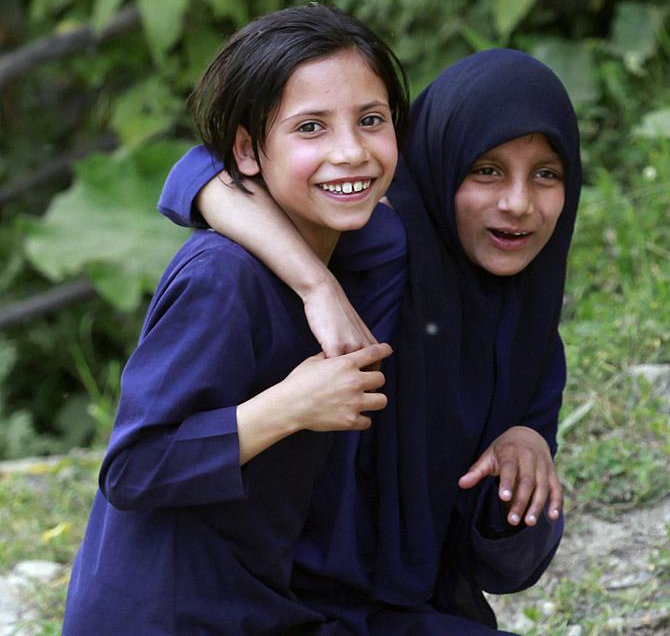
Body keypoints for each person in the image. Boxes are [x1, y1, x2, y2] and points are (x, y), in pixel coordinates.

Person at [157, 48, 581, 634]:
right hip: (279, 602)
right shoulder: (378, 248)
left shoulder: (529, 340)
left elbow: (497, 566)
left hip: (395, 610)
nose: (517, 202)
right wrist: (318, 285)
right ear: (437, 161)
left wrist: (523, 458)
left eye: (547, 174)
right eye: (485, 170)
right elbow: (200, 173)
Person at [62, 4, 409, 635]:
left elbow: (200, 175)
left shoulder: (371, 240)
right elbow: (133, 467)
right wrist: (291, 406)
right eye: (310, 127)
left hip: (264, 603)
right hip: (164, 618)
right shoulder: (222, 277)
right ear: (248, 150)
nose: (350, 151)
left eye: (371, 120)